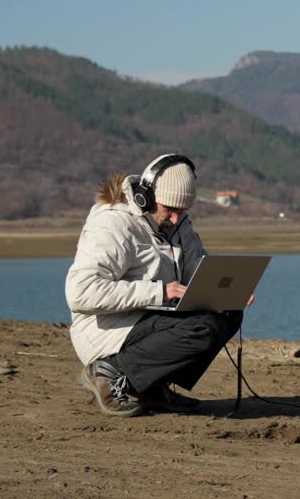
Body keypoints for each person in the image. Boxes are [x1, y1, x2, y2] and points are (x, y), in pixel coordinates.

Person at [64, 153, 242, 417]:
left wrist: (226, 289)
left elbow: (197, 267)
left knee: (228, 312)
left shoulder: (178, 221)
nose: (175, 218)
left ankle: (151, 387)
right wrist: (160, 291)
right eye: (169, 209)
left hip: (149, 318)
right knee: (203, 327)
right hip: (107, 330)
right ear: (144, 197)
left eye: (182, 211)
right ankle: (108, 371)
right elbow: (80, 293)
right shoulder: (113, 224)